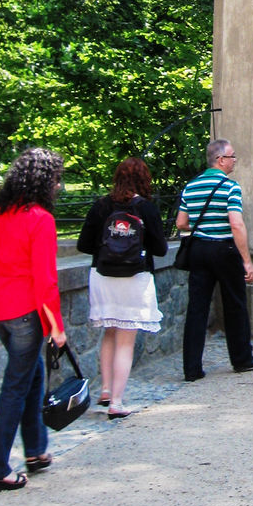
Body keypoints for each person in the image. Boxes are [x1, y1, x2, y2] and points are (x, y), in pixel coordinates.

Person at [0, 147, 66, 492]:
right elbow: (45, 281)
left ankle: (36, 451)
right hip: (26, 314)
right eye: (55, 179)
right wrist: (57, 327)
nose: (58, 186)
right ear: (43, 181)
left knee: (31, 374)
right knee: (14, 387)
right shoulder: (41, 219)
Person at [76, 156, 168, 417]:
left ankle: (105, 389)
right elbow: (161, 249)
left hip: (103, 276)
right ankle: (116, 402)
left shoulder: (101, 205)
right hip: (135, 277)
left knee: (109, 332)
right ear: (144, 179)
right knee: (126, 341)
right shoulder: (146, 209)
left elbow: (83, 245)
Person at [176, 139, 253, 381]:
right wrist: (247, 261)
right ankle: (242, 359)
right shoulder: (230, 187)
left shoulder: (191, 186)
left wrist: (202, 225)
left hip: (198, 250)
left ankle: (191, 368)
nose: (235, 161)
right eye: (232, 157)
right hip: (224, 249)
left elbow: (181, 223)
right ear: (220, 159)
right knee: (235, 304)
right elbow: (236, 223)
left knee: (197, 308)